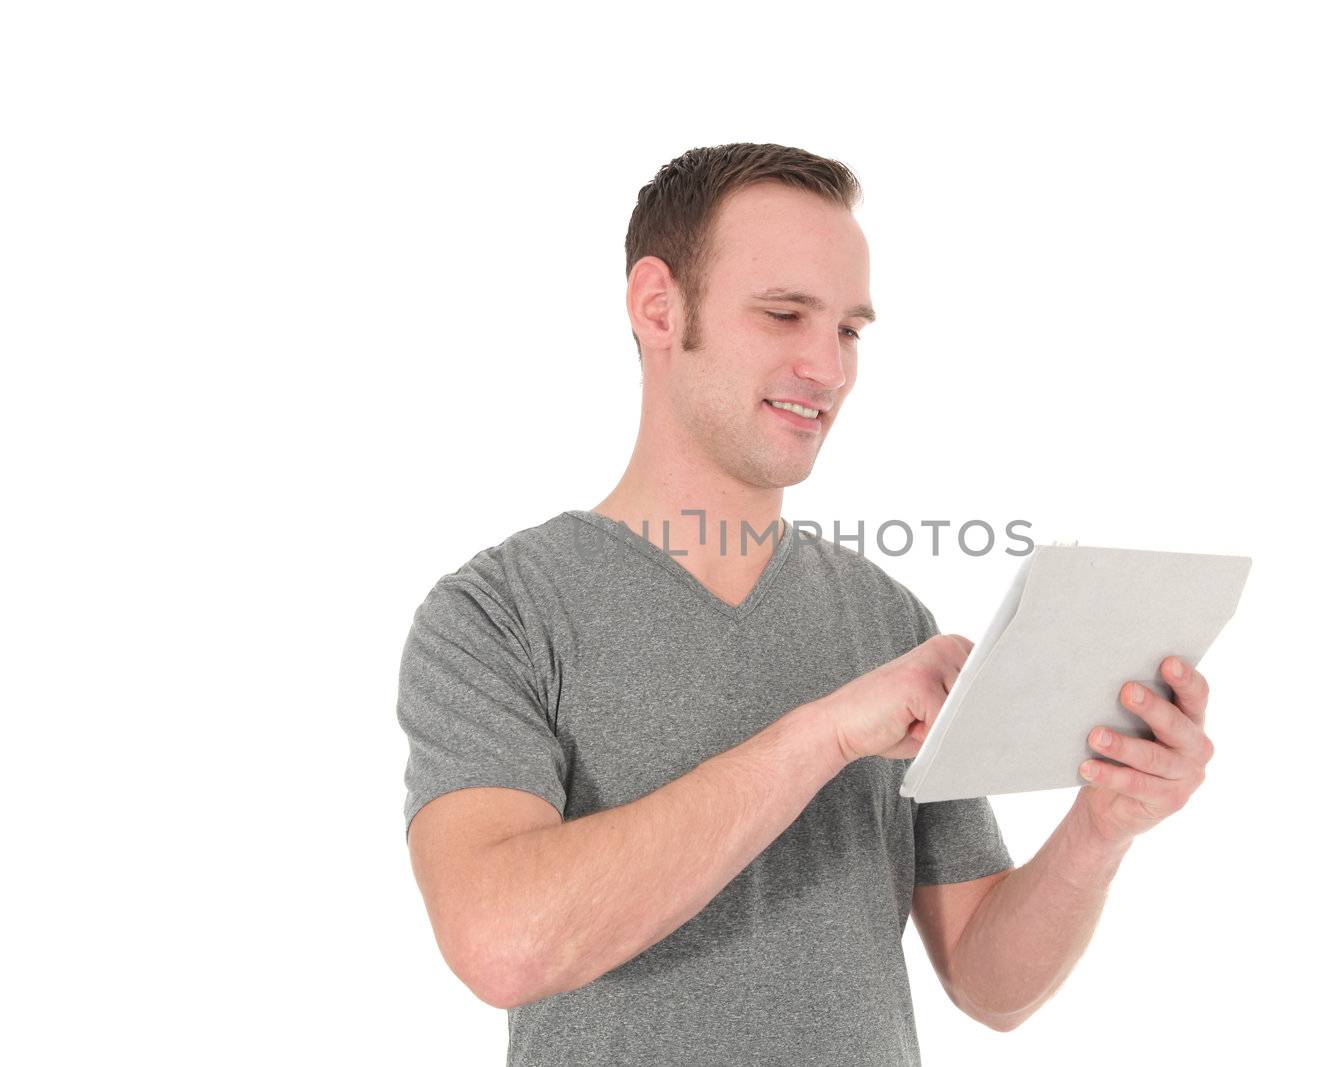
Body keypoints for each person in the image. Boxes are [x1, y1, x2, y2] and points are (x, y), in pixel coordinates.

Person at [397, 143, 1216, 1066]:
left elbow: (989, 983)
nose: (827, 369)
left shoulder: (888, 622)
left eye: (851, 330)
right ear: (658, 306)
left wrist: (1103, 823)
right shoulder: (498, 615)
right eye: (785, 314)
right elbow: (501, 943)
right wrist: (822, 736)